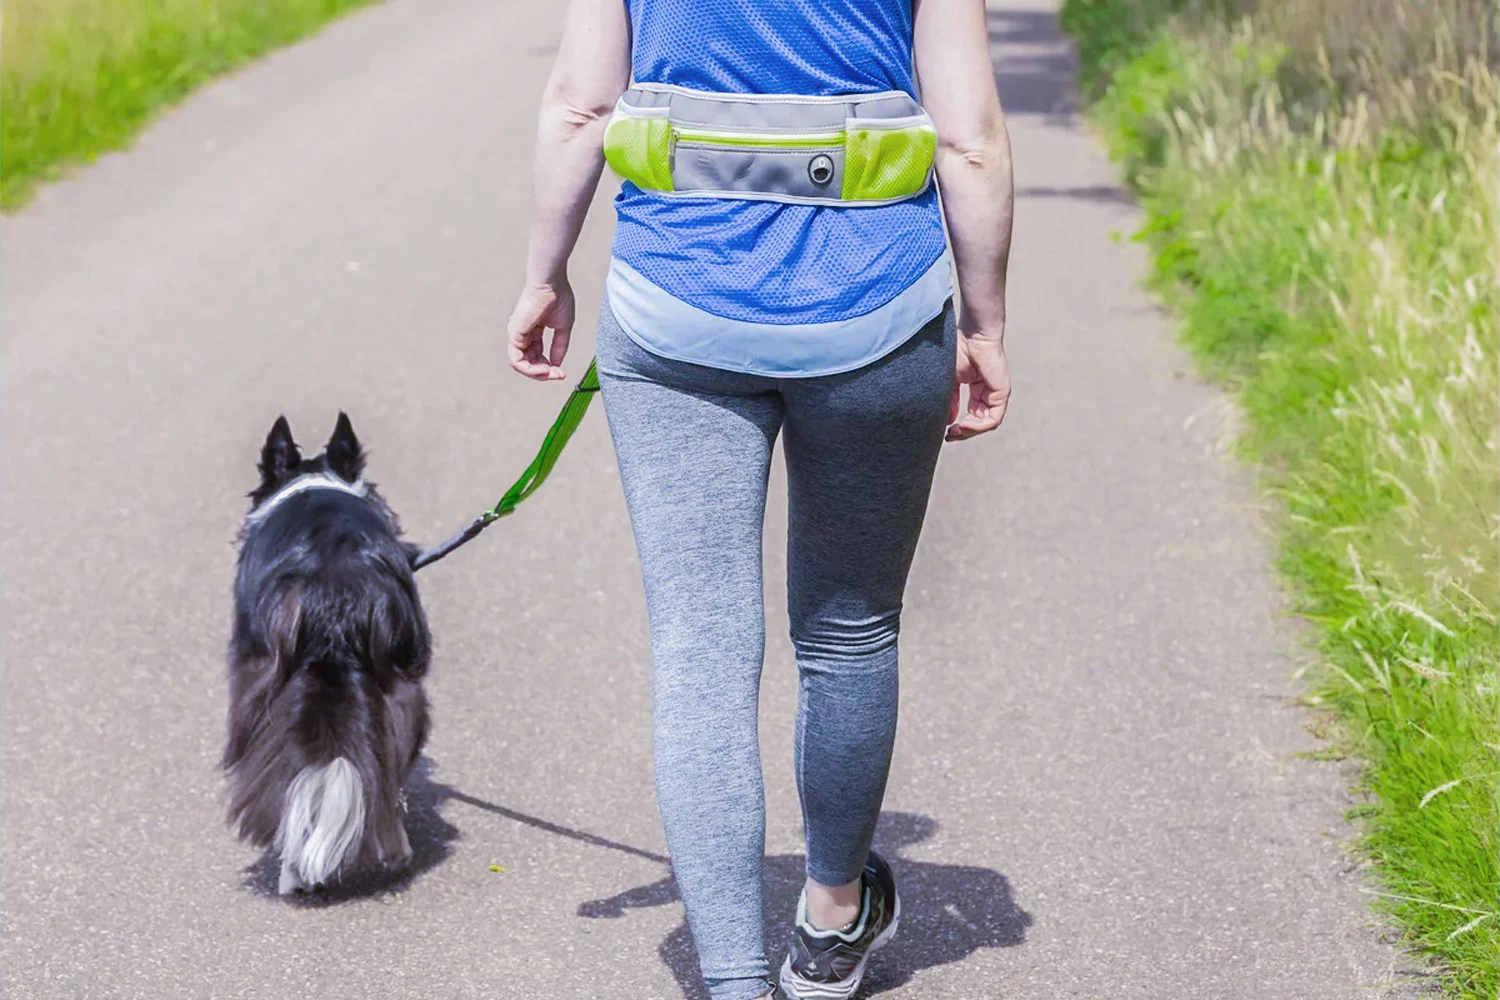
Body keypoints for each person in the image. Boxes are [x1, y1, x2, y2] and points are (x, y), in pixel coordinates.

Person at [506, 1, 1013, 997]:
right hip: (878, 306)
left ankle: (734, 981)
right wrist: (987, 322)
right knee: (851, 631)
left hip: (676, 307)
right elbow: (971, 140)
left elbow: (579, 107)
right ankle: (830, 921)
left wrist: (545, 273)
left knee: (700, 649)